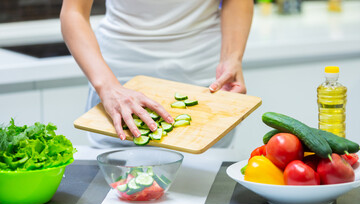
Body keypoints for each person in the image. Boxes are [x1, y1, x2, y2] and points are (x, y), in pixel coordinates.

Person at [60, 0, 253, 148]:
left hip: (204, 85)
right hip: (118, 85)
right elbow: (73, 12)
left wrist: (232, 58)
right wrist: (108, 87)